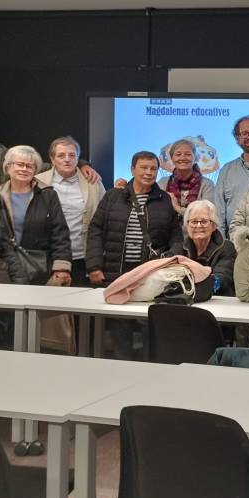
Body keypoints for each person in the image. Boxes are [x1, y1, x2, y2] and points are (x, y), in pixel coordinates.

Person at [87, 150, 182, 359]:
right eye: (144, 168)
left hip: (147, 274)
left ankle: (150, 371)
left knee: (150, 326)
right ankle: (123, 370)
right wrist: (94, 266)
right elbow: (95, 230)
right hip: (116, 272)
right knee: (120, 328)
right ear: (132, 169)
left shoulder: (164, 200)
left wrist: (171, 258)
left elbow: (176, 235)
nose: (149, 173)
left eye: (153, 169)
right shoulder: (113, 196)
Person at [0, 145, 73, 286]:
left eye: (30, 166)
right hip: (3, 270)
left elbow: (60, 233)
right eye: (20, 164)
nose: (24, 169)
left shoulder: (47, 194)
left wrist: (62, 268)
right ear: (8, 167)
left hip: (40, 270)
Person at [36, 136, 106, 287]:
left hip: (82, 257)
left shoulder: (93, 182)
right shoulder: (38, 183)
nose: (67, 159)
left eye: (72, 155)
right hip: (48, 259)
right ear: (52, 159)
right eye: (61, 155)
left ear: (78, 158)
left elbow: (104, 220)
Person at [174, 199, 236, 296]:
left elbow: (221, 279)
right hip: (185, 300)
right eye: (194, 221)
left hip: (218, 301)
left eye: (204, 221)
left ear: (214, 225)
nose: (198, 226)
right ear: (187, 225)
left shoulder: (226, 248)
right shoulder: (179, 247)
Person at [158, 138, 216, 215]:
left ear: (195, 158)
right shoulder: (162, 183)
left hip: (197, 227)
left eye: (188, 154)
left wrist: (178, 209)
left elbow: (205, 214)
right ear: (172, 159)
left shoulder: (207, 185)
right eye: (178, 154)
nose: (183, 158)